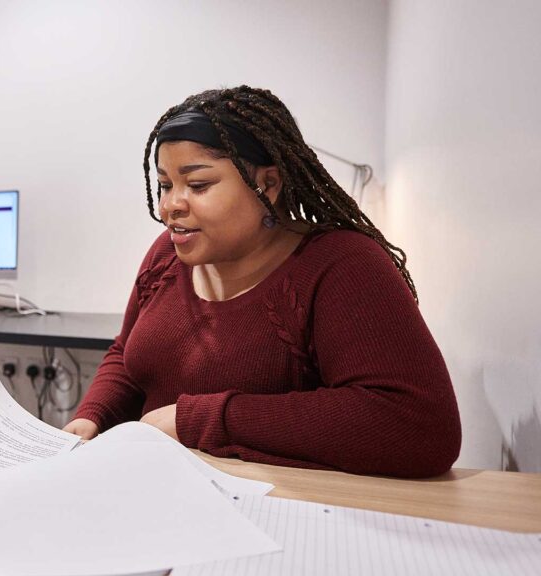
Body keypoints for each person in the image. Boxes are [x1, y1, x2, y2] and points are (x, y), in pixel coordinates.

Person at [64, 86, 461, 478]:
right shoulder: (166, 255)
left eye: (198, 185)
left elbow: (418, 426)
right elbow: (127, 353)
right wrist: (92, 416)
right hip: (158, 493)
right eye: (166, 185)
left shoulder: (340, 265)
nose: (170, 206)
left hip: (276, 513)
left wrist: (198, 420)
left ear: (268, 185)